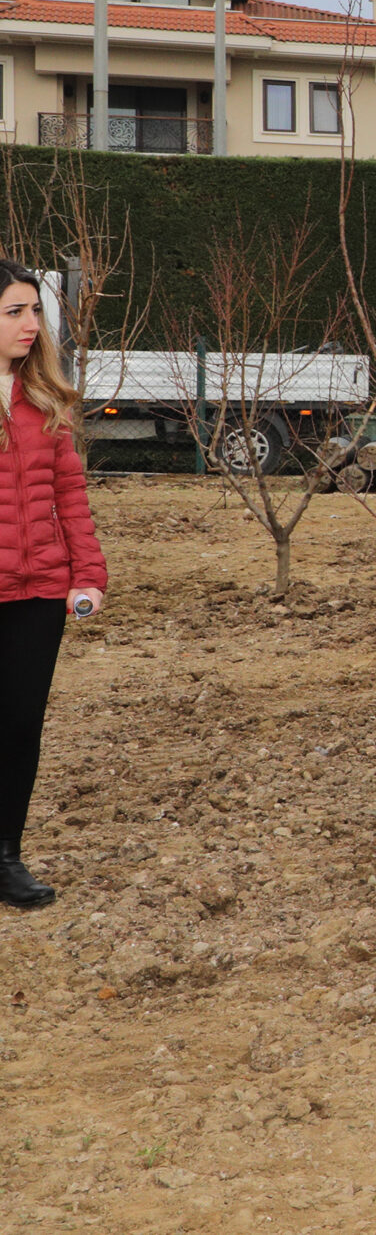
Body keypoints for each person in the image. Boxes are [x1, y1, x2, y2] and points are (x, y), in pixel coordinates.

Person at [0, 261, 105, 911]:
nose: (32, 325)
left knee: (19, 728)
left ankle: (5, 858)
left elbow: (70, 496)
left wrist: (87, 574)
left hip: (39, 593)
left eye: (35, 311)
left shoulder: (45, 401)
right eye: (15, 312)